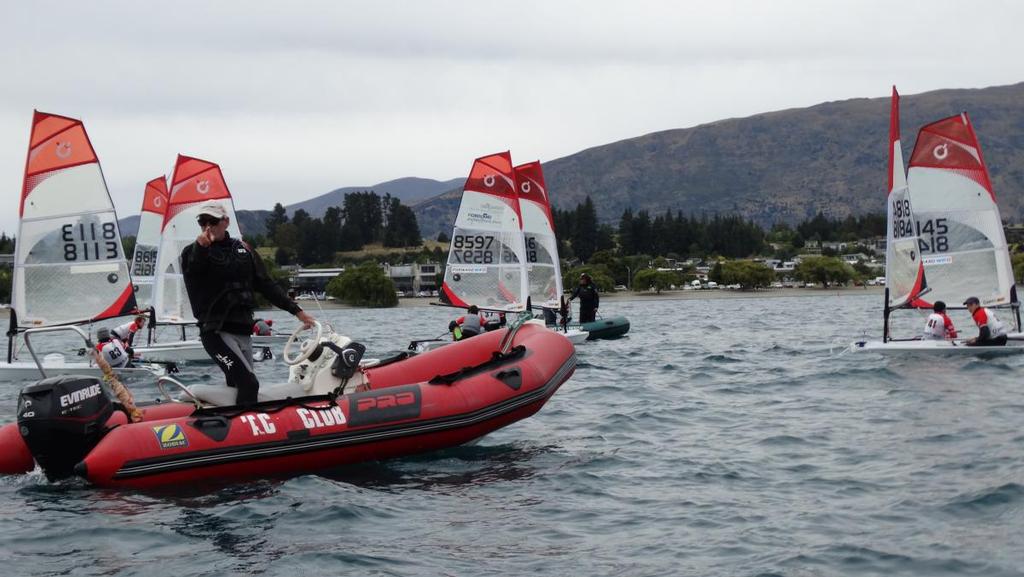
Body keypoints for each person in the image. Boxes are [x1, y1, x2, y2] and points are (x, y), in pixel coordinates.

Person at [181, 203, 315, 405]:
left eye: (213, 221)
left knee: (237, 385)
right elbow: (194, 268)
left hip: (243, 329)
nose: (207, 227)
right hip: (216, 332)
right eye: (202, 222)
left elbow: (266, 285)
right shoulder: (193, 252)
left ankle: (230, 422)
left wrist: (297, 311)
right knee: (249, 384)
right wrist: (201, 248)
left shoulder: (244, 250)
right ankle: (248, 428)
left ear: (225, 222)